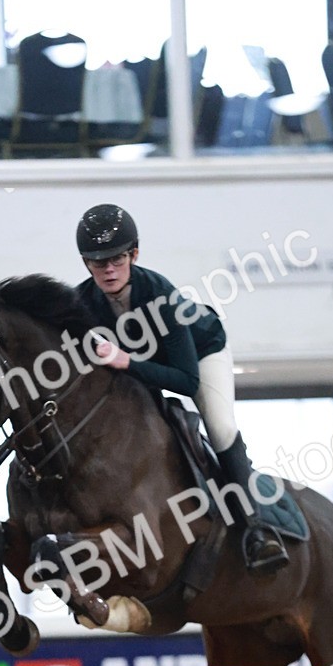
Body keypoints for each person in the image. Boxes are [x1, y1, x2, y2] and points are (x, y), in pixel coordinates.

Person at [75, 203, 289, 574]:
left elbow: (185, 380)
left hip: (200, 352)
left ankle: (257, 529)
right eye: (97, 262)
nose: (108, 269)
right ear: (86, 263)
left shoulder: (162, 296)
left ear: (135, 254)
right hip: (143, 365)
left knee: (220, 427)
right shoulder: (81, 302)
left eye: (117, 258)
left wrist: (127, 362)